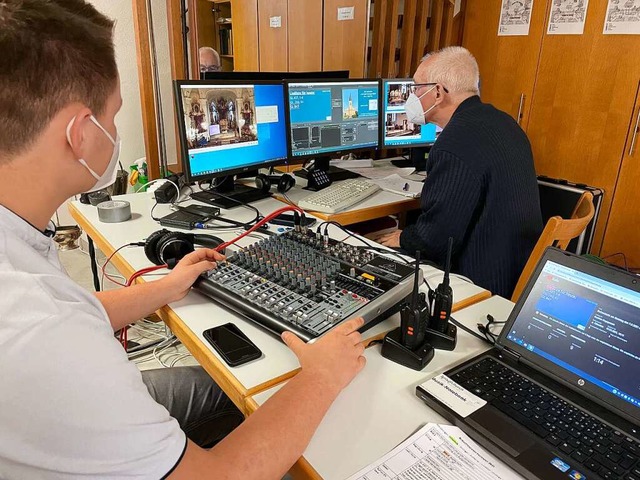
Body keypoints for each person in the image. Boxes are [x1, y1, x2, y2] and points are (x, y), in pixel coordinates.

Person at [0, 2, 366, 479]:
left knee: (224, 386)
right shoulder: (42, 333)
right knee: (275, 395)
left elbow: (63, 306)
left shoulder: (21, 259)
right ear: (80, 133)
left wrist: (164, 288)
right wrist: (321, 376)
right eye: (113, 117)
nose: (113, 133)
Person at [376, 47, 543, 298]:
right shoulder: (504, 122)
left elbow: (436, 240)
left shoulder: (454, 143)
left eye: (417, 88)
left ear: (438, 93)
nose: (413, 96)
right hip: (519, 267)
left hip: (484, 281)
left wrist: (404, 238)